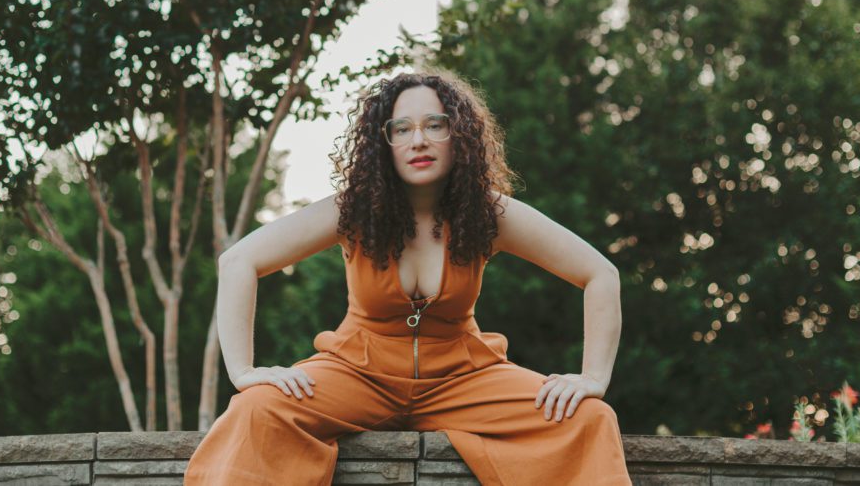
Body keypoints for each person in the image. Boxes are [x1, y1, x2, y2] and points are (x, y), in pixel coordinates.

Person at [184, 70, 632, 485]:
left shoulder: (489, 212)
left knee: (588, 418)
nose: (418, 140)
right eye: (402, 129)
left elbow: (599, 274)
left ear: (460, 135)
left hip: (465, 378)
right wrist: (244, 371)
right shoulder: (351, 210)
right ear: (385, 143)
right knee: (256, 409)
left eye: (435, 124)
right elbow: (239, 261)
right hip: (356, 374)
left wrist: (592, 378)